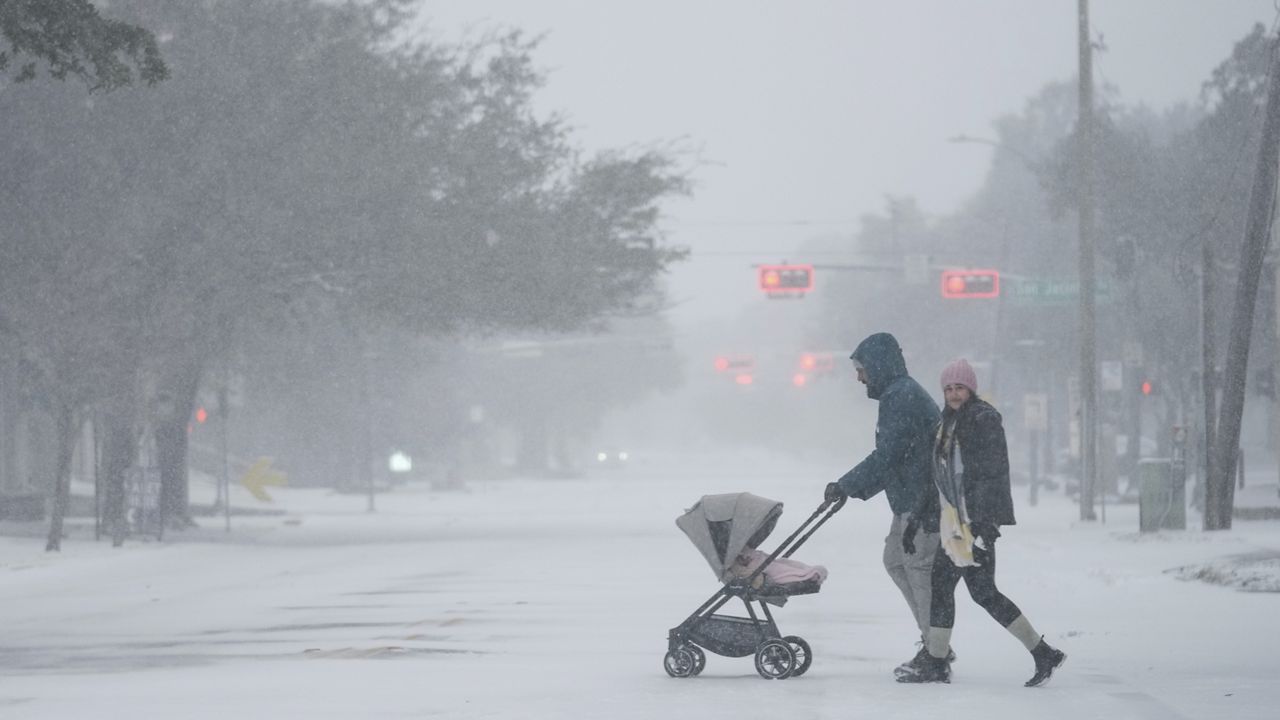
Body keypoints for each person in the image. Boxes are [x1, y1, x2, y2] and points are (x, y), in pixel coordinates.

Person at [895, 358, 1067, 687]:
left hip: (974, 525)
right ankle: (1039, 653)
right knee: (961, 590)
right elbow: (938, 480)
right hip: (955, 525)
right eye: (948, 388)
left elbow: (992, 475)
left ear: (970, 389)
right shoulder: (947, 425)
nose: (953, 393)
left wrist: (986, 525)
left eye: (959, 387)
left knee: (974, 592)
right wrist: (916, 523)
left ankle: (939, 662)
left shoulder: (982, 420)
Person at [823, 332, 943, 678]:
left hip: (922, 500)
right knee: (896, 561)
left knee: (918, 568)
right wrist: (851, 489)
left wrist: (846, 486)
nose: (859, 376)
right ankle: (933, 643)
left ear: (877, 365)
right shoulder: (898, 394)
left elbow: (888, 456)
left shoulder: (900, 397)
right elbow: (894, 459)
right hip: (910, 497)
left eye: (861, 369)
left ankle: (935, 653)